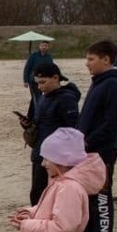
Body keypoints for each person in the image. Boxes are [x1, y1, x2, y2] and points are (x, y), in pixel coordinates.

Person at [77, 40, 117, 232]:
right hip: (88, 152)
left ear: (106, 59)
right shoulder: (98, 82)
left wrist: (88, 142)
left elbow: (111, 122)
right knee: (88, 198)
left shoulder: (113, 84)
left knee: (103, 198)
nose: (87, 64)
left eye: (91, 59)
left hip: (102, 153)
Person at [25, 62, 81, 205]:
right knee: (37, 193)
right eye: (37, 83)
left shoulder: (66, 99)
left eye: (43, 82)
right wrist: (29, 125)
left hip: (55, 157)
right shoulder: (44, 97)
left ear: (56, 78)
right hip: (40, 152)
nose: (39, 87)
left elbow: (72, 129)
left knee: (45, 194)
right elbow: (40, 121)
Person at [22, 40, 52, 121]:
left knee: (34, 98)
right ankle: (37, 117)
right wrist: (25, 80)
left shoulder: (49, 57)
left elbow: (51, 68)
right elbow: (27, 68)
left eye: (45, 46)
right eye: (42, 45)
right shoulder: (33, 56)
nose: (44, 47)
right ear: (39, 46)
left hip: (44, 81)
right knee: (37, 98)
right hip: (33, 81)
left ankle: (30, 115)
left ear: (48, 47)